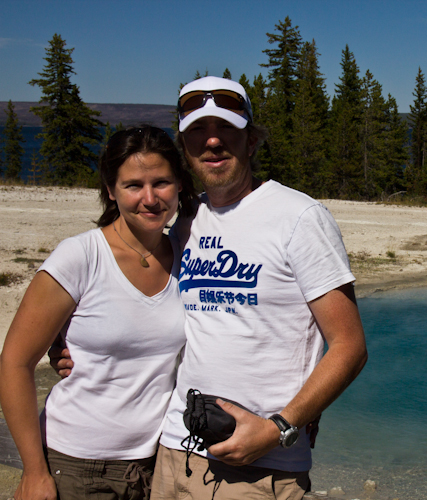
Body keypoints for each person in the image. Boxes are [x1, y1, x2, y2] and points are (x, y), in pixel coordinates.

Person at [147, 76, 368, 499]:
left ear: (251, 141)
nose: (212, 142)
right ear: (185, 148)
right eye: (197, 132)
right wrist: (68, 340)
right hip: (175, 450)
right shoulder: (186, 220)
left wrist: (279, 428)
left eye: (226, 129)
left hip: (259, 465)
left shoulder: (299, 217)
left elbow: (350, 346)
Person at [0, 125, 197, 500]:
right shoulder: (81, 257)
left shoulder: (186, 257)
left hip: (155, 465)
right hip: (76, 465)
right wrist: (34, 470)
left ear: (179, 186)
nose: (151, 198)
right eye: (134, 185)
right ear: (110, 189)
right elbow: (14, 363)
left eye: (162, 183)